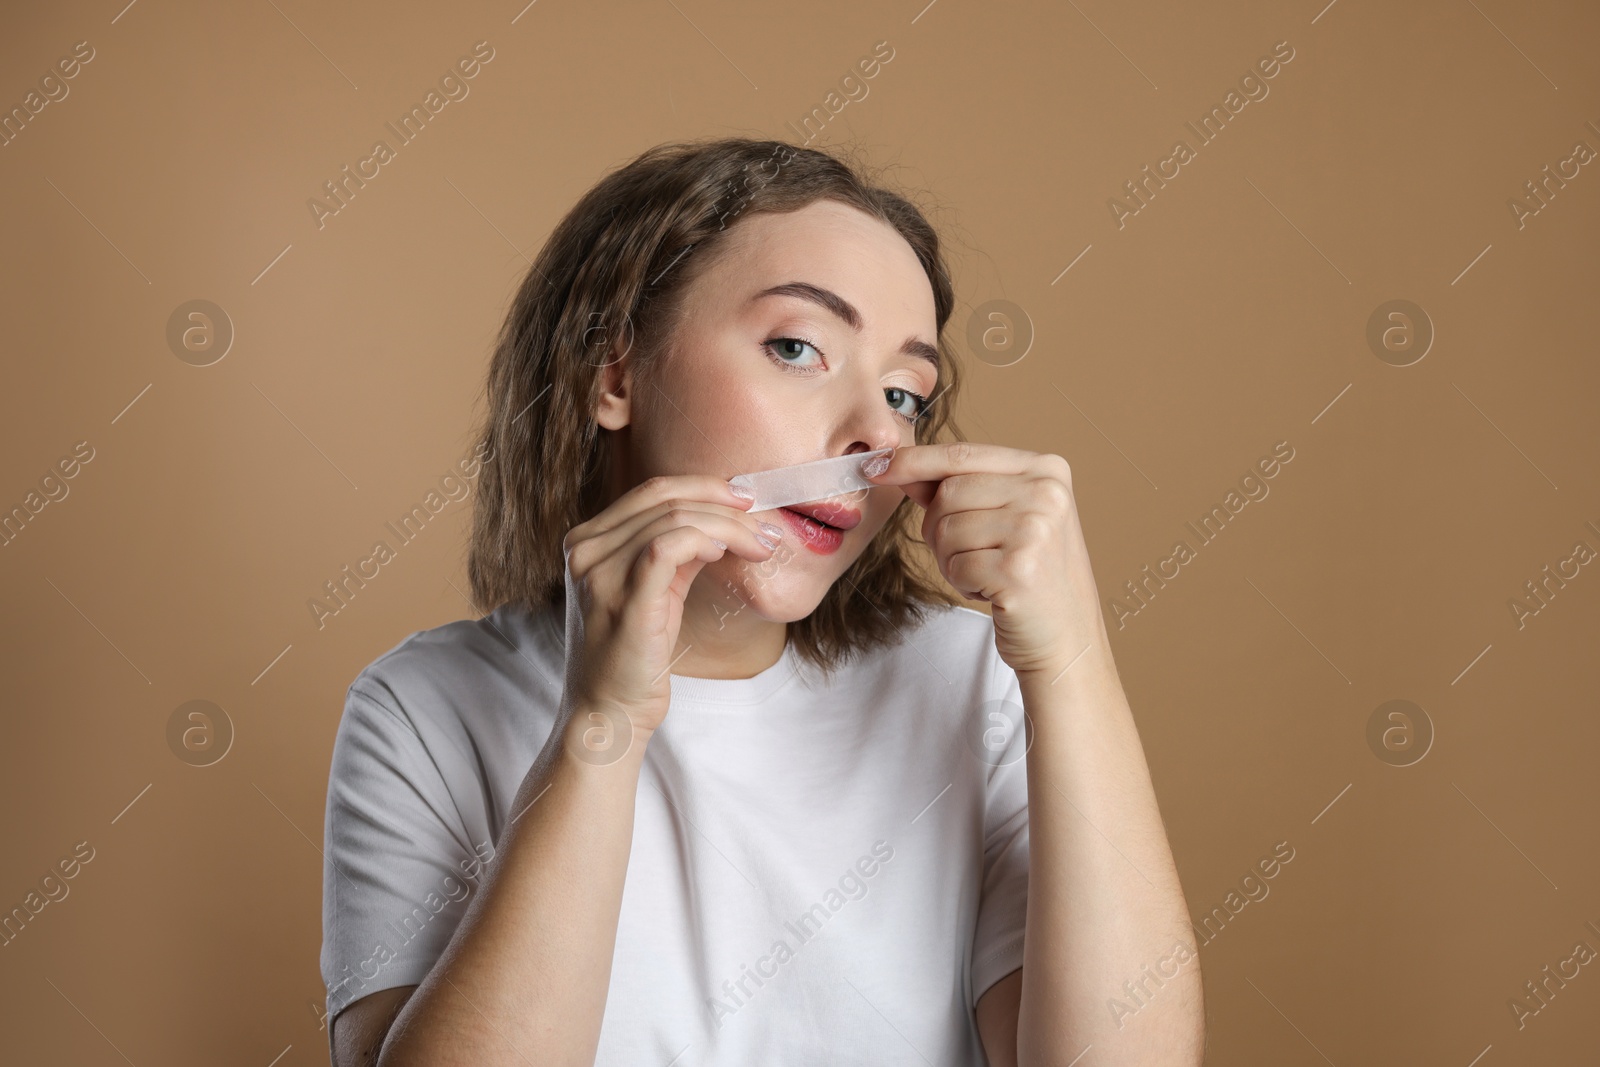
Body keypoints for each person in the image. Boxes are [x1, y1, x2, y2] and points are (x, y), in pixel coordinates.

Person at [319, 137, 1203, 1066]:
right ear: (612, 373)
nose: (872, 436)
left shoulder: (965, 682)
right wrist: (602, 725)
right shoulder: (421, 709)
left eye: (905, 394)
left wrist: (1073, 663)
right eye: (798, 347)